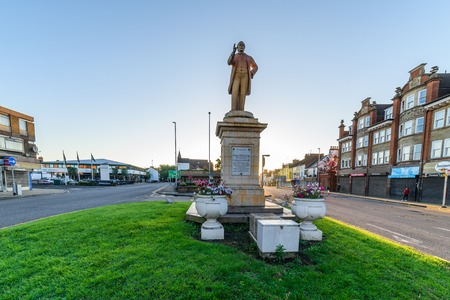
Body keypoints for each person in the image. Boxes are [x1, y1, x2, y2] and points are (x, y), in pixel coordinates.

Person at [227, 41, 258, 111]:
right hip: (236, 76)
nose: (241, 46)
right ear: (237, 47)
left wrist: (251, 72)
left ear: (244, 47)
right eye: (239, 45)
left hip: (245, 76)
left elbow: (255, 66)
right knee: (235, 91)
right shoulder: (234, 56)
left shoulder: (248, 57)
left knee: (242, 93)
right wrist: (233, 52)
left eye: (242, 45)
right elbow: (229, 62)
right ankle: (233, 109)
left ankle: (241, 110)